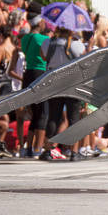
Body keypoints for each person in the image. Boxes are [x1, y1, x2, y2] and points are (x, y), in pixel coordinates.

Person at [39, 26, 85, 161]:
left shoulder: (48, 42)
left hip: (54, 81)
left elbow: (43, 56)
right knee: (73, 117)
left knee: (53, 116)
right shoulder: (76, 44)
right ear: (71, 30)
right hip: (72, 81)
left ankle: (48, 150)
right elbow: (83, 58)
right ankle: (74, 152)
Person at [20, 15, 49, 157]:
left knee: (35, 113)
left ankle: (29, 148)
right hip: (40, 73)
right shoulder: (43, 39)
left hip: (28, 74)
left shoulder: (25, 38)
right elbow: (46, 56)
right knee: (43, 112)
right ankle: (38, 148)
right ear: (40, 23)